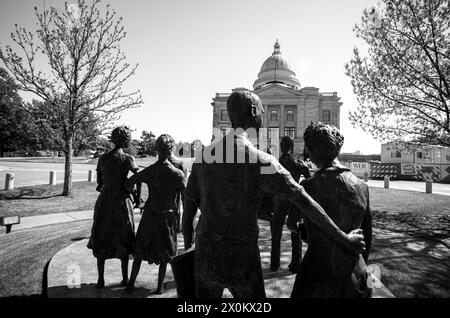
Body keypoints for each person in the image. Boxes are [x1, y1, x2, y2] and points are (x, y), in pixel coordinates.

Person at [182, 90, 366, 298]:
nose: (262, 116)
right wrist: (344, 238)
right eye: (261, 111)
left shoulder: (204, 156)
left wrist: (189, 251)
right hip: (241, 256)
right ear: (253, 111)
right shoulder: (262, 162)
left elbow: (187, 216)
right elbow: (305, 202)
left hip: (206, 253)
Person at [291, 122, 372, 298]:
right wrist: (363, 268)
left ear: (311, 150)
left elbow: (292, 224)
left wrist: (304, 231)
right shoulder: (362, 186)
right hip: (356, 271)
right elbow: (368, 236)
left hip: (318, 274)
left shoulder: (308, 186)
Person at [124, 134, 186, 294]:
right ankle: (159, 287)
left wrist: (140, 200)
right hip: (168, 215)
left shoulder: (150, 170)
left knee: (140, 251)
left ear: (157, 150)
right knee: (166, 252)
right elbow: (186, 198)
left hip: (150, 213)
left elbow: (128, 183)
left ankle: (131, 283)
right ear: (170, 149)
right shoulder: (178, 174)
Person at [87, 126, 138, 289]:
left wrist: (106, 184)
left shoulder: (103, 158)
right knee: (123, 235)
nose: (129, 140)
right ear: (124, 140)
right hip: (122, 201)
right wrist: (136, 195)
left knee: (102, 235)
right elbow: (138, 177)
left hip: (105, 200)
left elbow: (99, 182)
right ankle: (124, 278)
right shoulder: (128, 159)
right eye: (128, 138)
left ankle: (100, 280)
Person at [270, 136, 311, 273]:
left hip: (279, 201)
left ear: (281, 146)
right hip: (294, 202)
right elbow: (309, 179)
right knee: (295, 233)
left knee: (276, 234)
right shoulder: (299, 163)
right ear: (291, 147)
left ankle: (275, 264)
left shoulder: (273, 162)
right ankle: (296, 263)